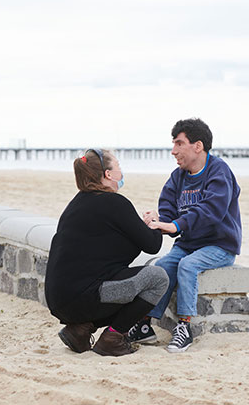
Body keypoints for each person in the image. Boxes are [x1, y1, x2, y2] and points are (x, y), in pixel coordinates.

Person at [129, 118, 242, 353]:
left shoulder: (219, 171)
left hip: (219, 246)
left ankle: (184, 328)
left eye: (179, 144)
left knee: (188, 266)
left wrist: (177, 226)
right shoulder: (177, 176)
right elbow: (169, 208)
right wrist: (158, 221)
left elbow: (211, 211)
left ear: (197, 146)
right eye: (173, 144)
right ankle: (144, 325)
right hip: (189, 243)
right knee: (162, 267)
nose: (174, 151)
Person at [45, 148, 169, 357]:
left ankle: (79, 330)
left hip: (58, 300)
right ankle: (113, 338)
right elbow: (152, 245)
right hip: (87, 296)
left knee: (120, 281)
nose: (121, 171)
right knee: (157, 278)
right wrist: (153, 222)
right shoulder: (115, 203)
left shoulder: (75, 204)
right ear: (108, 174)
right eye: (118, 166)